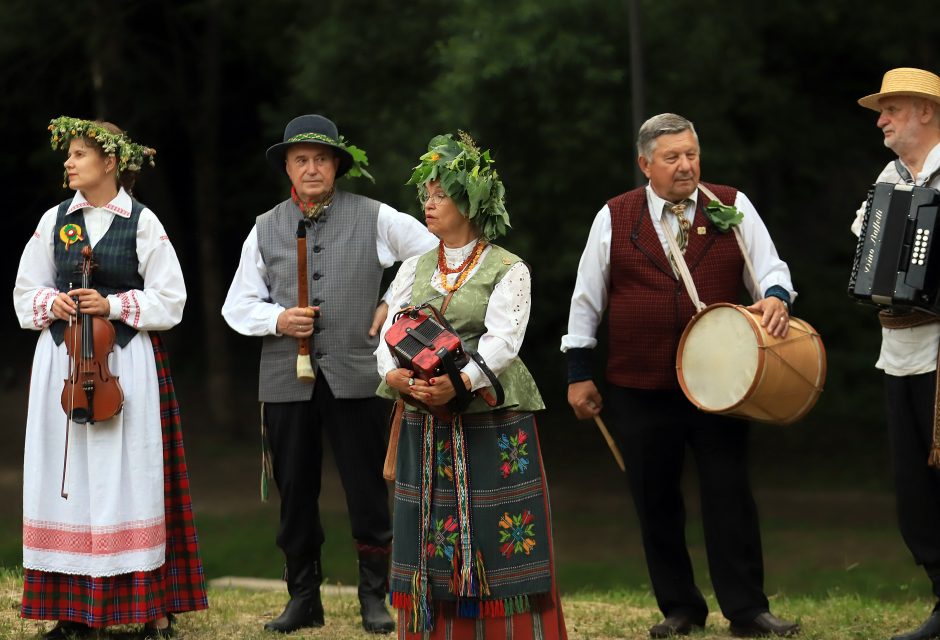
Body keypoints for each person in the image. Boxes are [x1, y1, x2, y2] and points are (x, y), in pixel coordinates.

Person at [562, 113, 799, 638]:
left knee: (729, 493)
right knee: (654, 498)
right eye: (672, 157)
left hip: (724, 382)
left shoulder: (729, 205)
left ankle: (747, 610)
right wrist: (579, 373)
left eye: (691, 154)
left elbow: (771, 267)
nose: (686, 165)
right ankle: (680, 607)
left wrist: (777, 297)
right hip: (639, 386)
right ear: (645, 163)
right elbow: (585, 301)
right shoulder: (615, 216)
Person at [221, 114, 437, 634]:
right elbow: (236, 305)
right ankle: (303, 599)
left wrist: (391, 302)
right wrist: (277, 318)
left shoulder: (374, 215)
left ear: (337, 165)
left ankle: (374, 597)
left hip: (358, 372)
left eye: (321, 158)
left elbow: (432, 253)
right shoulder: (265, 225)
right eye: (301, 160)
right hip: (284, 377)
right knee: (294, 489)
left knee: (366, 487)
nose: (312, 168)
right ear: (288, 169)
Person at [13, 117, 207, 639]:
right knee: (67, 479)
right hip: (62, 362)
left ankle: (149, 609)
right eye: (69, 154)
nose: (69, 162)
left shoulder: (142, 222)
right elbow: (23, 292)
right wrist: (50, 301)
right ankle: (72, 611)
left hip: (124, 364)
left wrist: (115, 303)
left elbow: (172, 298)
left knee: (131, 477)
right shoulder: (55, 220)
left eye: (79, 154)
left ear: (111, 162)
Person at [376, 132, 567, 640]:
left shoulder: (509, 269)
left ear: (472, 202)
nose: (429, 203)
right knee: (428, 530)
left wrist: (458, 384)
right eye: (427, 194)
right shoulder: (413, 268)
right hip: (422, 416)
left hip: (490, 418)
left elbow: (504, 342)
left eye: (441, 194)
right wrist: (392, 375)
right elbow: (389, 330)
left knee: (496, 530)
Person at [853, 67, 940, 640]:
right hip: (899, 348)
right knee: (913, 485)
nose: (880, 120)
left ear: (927, 112)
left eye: (892, 109)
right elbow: (867, 247)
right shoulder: (886, 182)